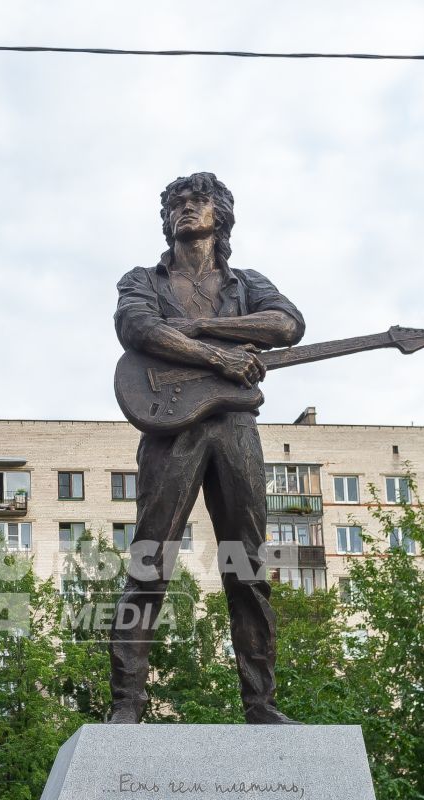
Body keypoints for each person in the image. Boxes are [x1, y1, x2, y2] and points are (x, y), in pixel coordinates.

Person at [107, 171, 307, 725]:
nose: (186, 210)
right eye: (177, 203)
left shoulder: (247, 281)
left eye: (199, 201)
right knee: (151, 560)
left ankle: (261, 703)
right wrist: (221, 355)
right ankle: (126, 704)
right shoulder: (143, 278)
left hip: (236, 429)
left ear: (221, 215)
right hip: (171, 428)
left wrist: (199, 329)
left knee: (247, 566)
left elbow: (288, 324)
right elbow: (138, 328)